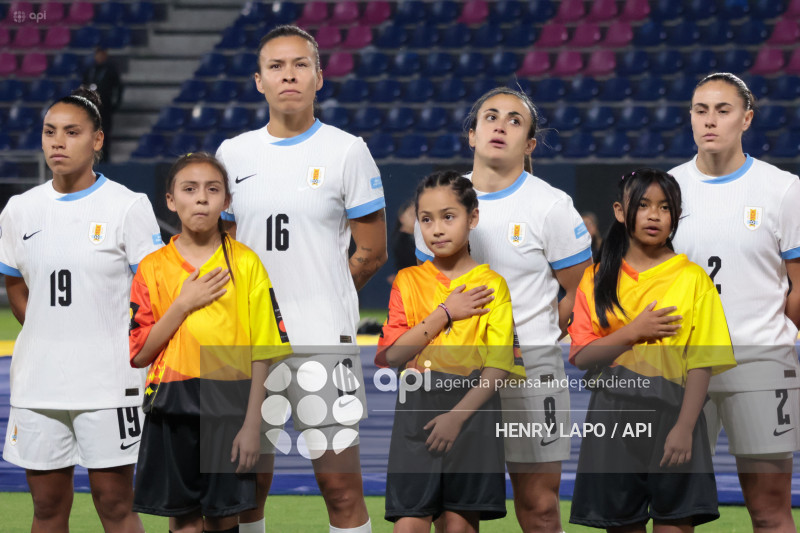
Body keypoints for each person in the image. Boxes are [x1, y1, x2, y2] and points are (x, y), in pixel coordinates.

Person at [215, 25, 387, 533]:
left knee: (340, 488)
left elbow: (372, 251)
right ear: (258, 81)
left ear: (318, 77)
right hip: (245, 344)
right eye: (276, 66)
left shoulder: (347, 151)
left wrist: (322, 298)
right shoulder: (233, 153)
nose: (288, 74)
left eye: (299, 65)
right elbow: (222, 251)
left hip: (322, 343)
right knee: (246, 486)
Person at [415, 87, 592, 532]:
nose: (500, 125)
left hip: (530, 369)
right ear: (472, 134)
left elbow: (581, 291)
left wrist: (543, 337)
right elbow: (429, 291)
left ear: (530, 144)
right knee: (456, 507)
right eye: (490, 117)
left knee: (539, 505)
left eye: (515, 120)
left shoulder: (550, 206)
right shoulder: (439, 204)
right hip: (457, 371)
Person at [0, 87, 161, 533]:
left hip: (110, 384)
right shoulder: (19, 210)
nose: (57, 142)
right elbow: (16, 285)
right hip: (39, 383)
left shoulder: (128, 206)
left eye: (72, 133)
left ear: (97, 140)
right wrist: (52, 333)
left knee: (115, 505)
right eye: (50, 132)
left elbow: (152, 294)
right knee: (47, 508)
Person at [129, 153, 292, 533]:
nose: (201, 198)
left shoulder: (247, 263)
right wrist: (183, 303)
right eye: (189, 189)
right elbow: (140, 351)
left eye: (212, 189)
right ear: (170, 200)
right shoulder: (152, 267)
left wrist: (253, 424)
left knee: (223, 518)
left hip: (230, 411)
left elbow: (264, 350)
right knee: (183, 519)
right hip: (171, 406)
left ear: (227, 201)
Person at [568, 168, 737, 531]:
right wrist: (633, 332)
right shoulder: (595, 278)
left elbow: (702, 363)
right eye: (643, 205)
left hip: (674, 416)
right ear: (619, 210)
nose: (654, 215)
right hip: (611, 417)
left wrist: (685, 427)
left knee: (675, 522)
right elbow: (582, 356)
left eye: (665, 207)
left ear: (675, 216)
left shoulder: (693, 279)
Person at [669, 72, 800, 533]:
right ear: (689, 118)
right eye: (701, 110)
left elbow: (799, 289)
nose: (710, 120)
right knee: (673, 509)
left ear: (746, 118)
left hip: (760, 361)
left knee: (769, 510)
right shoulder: (665, 190)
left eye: (723, 110)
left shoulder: (783, 190)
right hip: (681, 365)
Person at [377, 170, 526, 532]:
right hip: (416, 413)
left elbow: (499, 365)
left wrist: (456, 418)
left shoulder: (492, 286)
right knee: (409, 523)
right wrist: (446, 312)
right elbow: (393, 356)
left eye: (449, 216)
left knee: (459, 524)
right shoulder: (409, 281)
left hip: (473, 416)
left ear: (472, 217)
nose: (437, 229)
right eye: (426, 219)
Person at [82, 47, 122, 162]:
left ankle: (105, 158)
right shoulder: (90, 69)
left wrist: (116, 104)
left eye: (101, 55)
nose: (99, 57)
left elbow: (118, 88)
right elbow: (84, 86)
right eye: (97, 55)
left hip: (105, 107)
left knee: (104, 132)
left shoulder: (110, 70)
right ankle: (91, 157)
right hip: (91, 108)